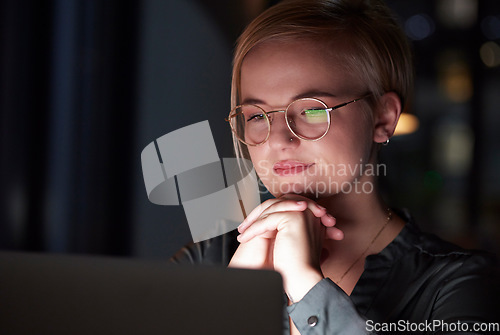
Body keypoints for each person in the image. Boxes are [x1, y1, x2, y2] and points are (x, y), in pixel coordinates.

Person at [171, 0, 499, 333]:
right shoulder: (205, 262)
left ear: (383, 117)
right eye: (257, 115)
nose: (279, 139)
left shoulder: (459, 284)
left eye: (313, 110)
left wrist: (307, 289)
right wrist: (232, 304)